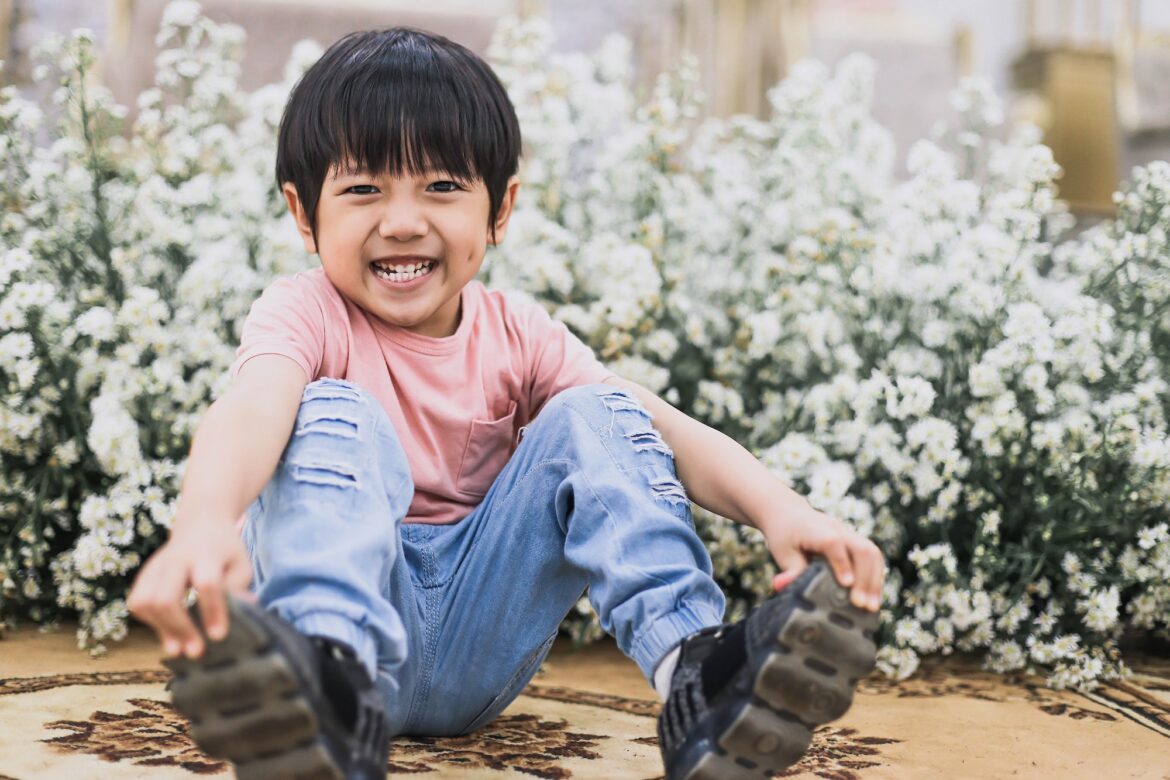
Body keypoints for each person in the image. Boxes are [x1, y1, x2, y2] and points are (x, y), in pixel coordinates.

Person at [127, 26, 885, 780]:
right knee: (330, 411)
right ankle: (325, 683)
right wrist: (201, 522)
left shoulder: (517, 334)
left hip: (479, 643)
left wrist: (786, 512)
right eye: (363, 189)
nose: (401, 220)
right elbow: (253, 409)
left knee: (600, 412)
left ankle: (696, 670)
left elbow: (661, 431)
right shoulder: (305, 312)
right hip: (345, 639)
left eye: (442, 187)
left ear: (500, 209)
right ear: (303, 213)